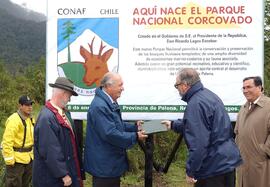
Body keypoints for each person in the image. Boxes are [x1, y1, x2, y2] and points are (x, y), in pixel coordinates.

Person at [162, 68, 242, 187]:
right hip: (226, 162)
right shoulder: (209, 95)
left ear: (184, 85)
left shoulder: (195, 104)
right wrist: (173, 124)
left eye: (176, 85)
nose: (177, 88)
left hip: (212, 168)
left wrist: (191, 170)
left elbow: (199, 143)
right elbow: (205, 125)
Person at [84, 72, 148, 187]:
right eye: (120, 85)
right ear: (108, 86)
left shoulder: (107, 102)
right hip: (104, 167)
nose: (123, 88)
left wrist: (136, 127)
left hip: (109, 164)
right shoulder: (100, 106)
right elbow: (110, 133)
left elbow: (117, 125)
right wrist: (135, 136)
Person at [32, 77, 84, 187]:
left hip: (64, 172)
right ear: (64, 93)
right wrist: (63, 174)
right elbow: (50, 150)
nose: (69, 100)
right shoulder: (46, 118)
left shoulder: (63, 113)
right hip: (51, 179)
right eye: (69, 96)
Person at [235, 76, 270, 187]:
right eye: (243, 88)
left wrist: (263, 151)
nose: (245, 91)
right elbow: (237, 133)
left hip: (262, 164)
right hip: (243, 164)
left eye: (249, 87)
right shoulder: (243, 108)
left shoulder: (268, 106)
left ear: (259, 87)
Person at [1, 95, 35, 187]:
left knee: (25, 184)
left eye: (31, 105)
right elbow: (6, 142)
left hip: (28, 159)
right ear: (20, 106)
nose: (30, 107)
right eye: (27, 105)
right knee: (14, 184)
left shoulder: (30, 118)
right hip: (16, 161)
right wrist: (10, 161)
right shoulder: (14, 120)